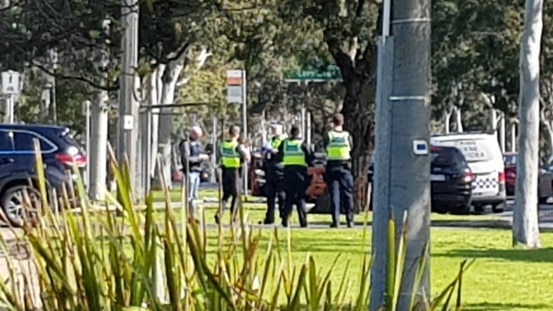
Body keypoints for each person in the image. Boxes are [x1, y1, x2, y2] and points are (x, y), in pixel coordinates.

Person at [324, 113, 355, 228]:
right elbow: (351, 147)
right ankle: (350, 220)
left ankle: (335, 220)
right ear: (342, 123)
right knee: (347, 194)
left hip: (332, 165)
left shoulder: (329, 135)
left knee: (334, 194)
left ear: (333, 122)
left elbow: (325, 147)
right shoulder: (347, 136)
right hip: (345, 165)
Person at [215, 125, 251, 224]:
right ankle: (233, 216)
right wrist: (247, 149)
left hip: (225, 171)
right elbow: (246, 158)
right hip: (236, 172)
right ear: (237, 134)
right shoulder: (237, 146)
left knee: (226, 195)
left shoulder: (223, 145)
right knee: (236, 195)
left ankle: (219, 213)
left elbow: (219, 157)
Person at [279, 125, 313, 228]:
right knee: (301, 197)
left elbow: (280, 155)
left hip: (288, 171)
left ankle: (285, 220)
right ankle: (303, 221)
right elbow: (310, 157)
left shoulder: (285, 143)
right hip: (300, 172)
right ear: (299, 133)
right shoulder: (302, 144)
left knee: (289, 197)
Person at [179, 125, 210, 223]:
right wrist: (199, 158)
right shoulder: (186, 144)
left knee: (194, 196)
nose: (198, 138)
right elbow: (186, 159)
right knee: (189, 196)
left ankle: (193, 215)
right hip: (189, 172)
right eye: (197, 136)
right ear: (192, 134)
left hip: (197, 172)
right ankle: (188, 215)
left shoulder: (198, 144)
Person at [260, 123, 287, 225]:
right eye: (272, 129)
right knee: (270, 195)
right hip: (270, 168)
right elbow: (265, 150)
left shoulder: (284, 140)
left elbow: (281, 152)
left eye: (275, 129)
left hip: (281, 168)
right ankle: (269, 217)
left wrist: (272, 150)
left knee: (281, 194)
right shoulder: (271, 140)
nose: (273, 131)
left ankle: (284, 216)